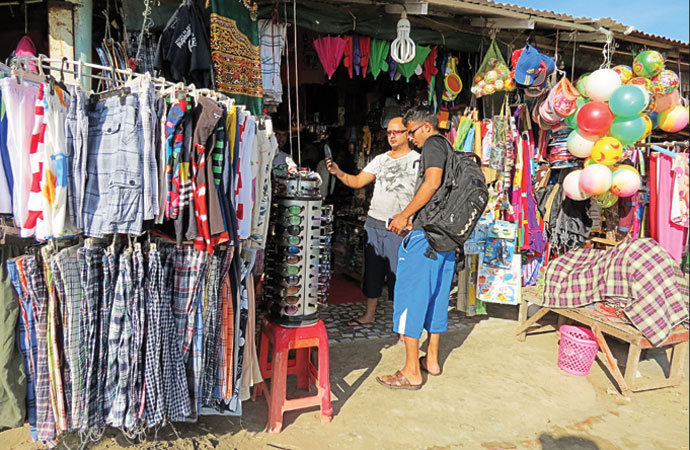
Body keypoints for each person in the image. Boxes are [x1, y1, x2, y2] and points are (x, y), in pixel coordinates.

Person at [377, 106, 456, 390]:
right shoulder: (449, 146)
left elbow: (432, 182)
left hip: (425, 237)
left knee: (411, 298)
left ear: (425, 127)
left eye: (410, 131)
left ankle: (411, 371)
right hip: (445, 238)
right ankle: (431, 360)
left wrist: (404, 215)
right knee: (436, 297)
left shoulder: (433, 145)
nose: (410, 138)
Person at [326, 117, 420, 327]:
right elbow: (358, 181)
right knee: (373, 272)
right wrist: (339, 172)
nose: (392, 136)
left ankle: (403, 321)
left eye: (397, 132)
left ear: (408, 134)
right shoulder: (381, 159)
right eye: (389, 132)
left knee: (400, 274)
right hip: (374, 221)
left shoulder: (417, 161)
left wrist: (411, 218)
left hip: (399, 226)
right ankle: (369, 315)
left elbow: (424, 193)